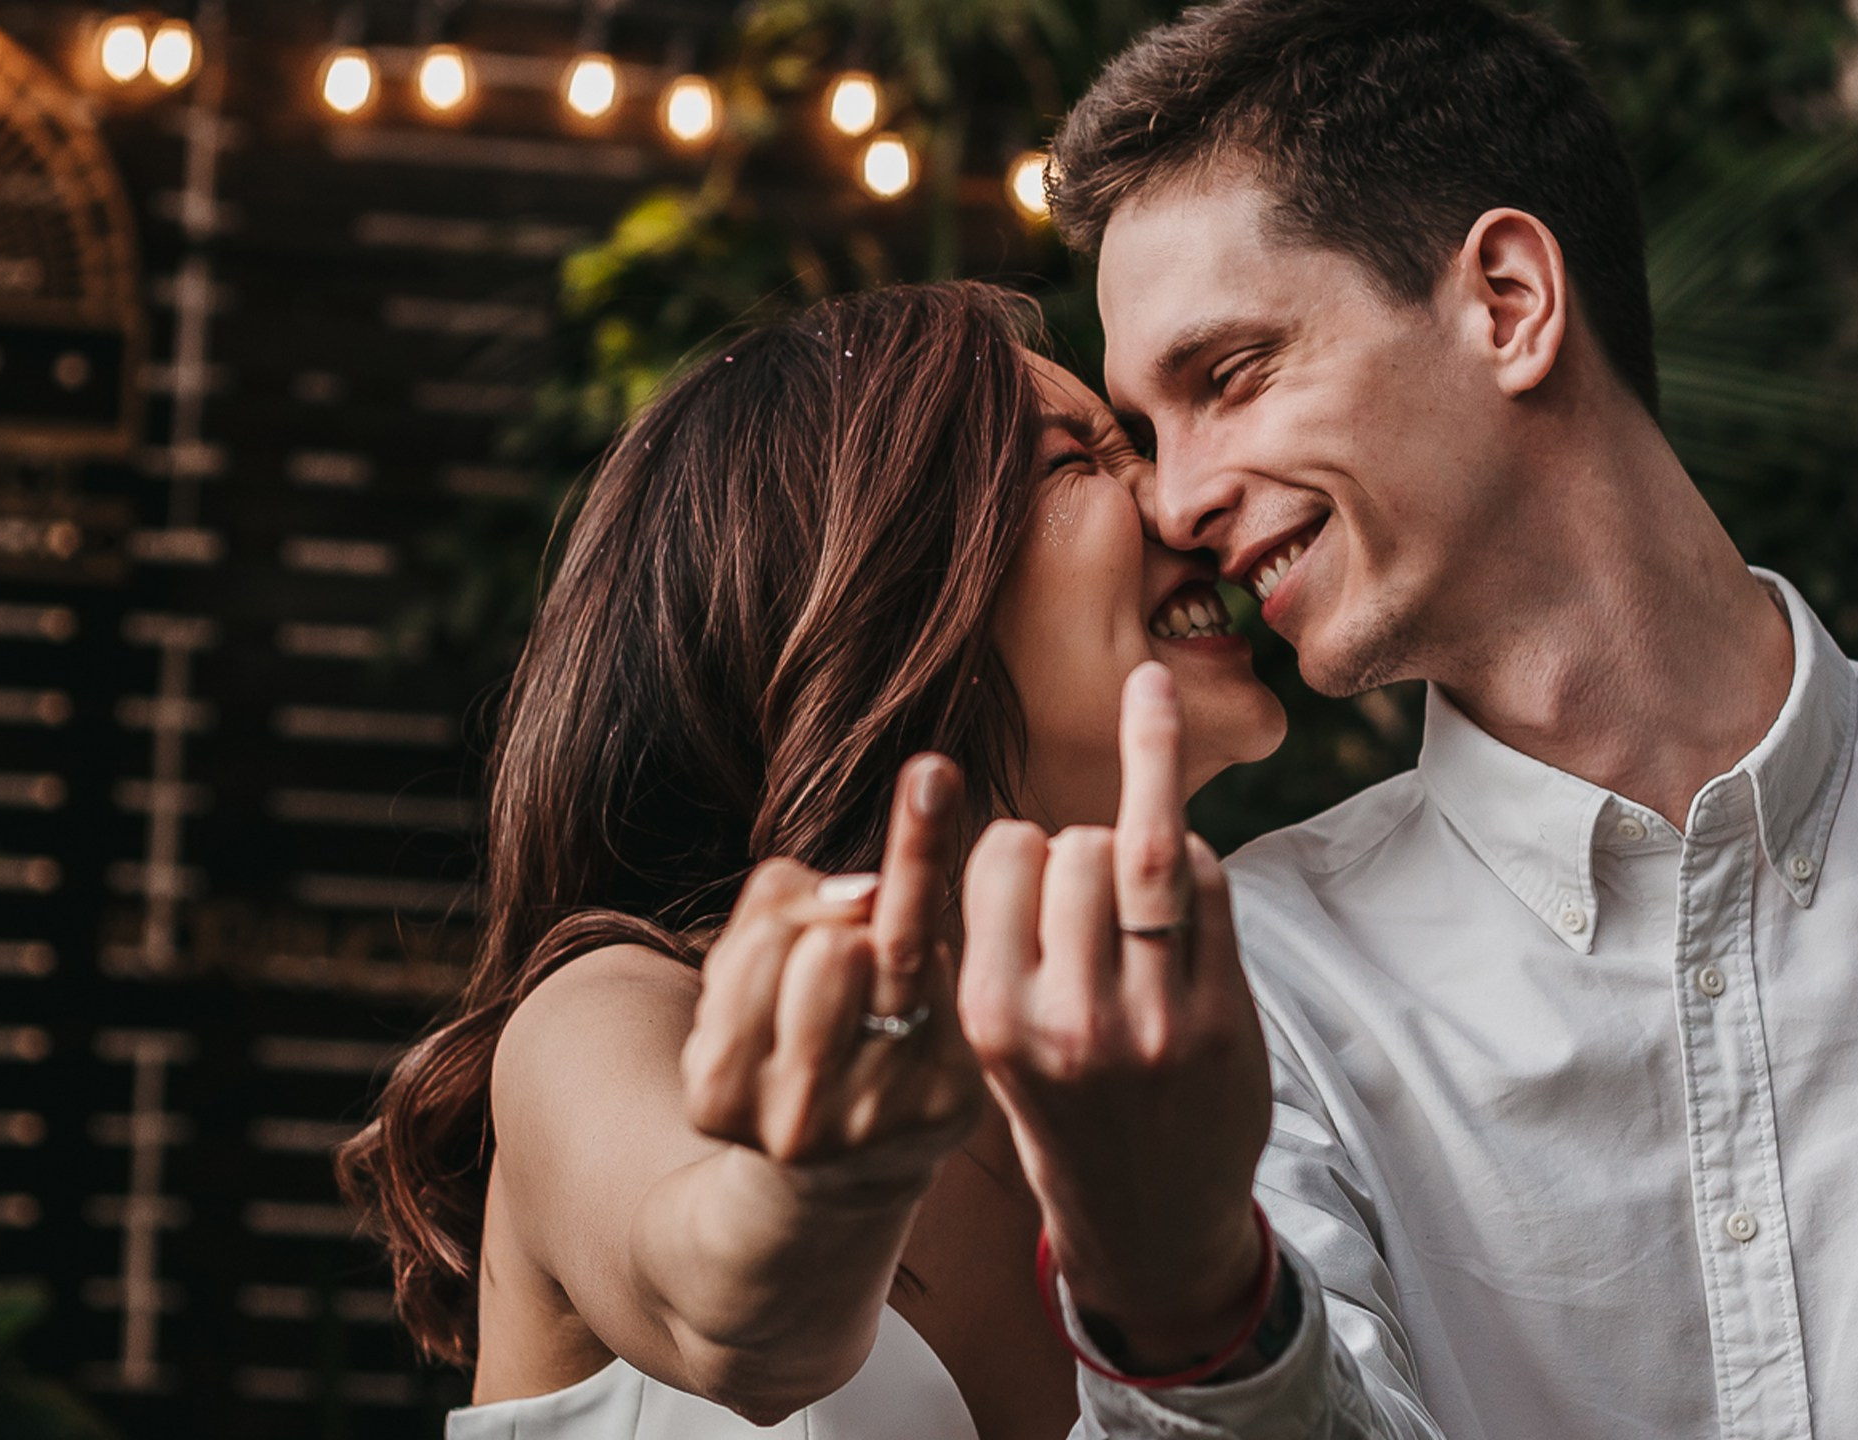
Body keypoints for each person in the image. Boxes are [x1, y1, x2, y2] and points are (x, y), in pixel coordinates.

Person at [954, 2, 1858, 1437]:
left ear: (1508, 305)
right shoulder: (1261, 983)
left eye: (1231, 376)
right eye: (1148, 432)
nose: (1182, 497)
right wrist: (1191, 1310)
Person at [336, 281, 1286, 1439]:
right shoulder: (608, 1019)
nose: (1182, 500)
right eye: (1079, 458)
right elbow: (725, 1310)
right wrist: (827, 1188)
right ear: (887, 588)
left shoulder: (1200, 1075)